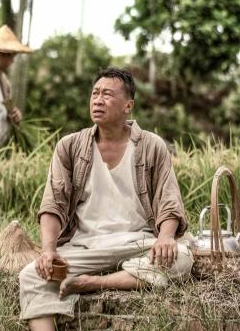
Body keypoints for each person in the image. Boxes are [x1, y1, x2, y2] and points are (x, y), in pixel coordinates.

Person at [18, 67, 192, 329]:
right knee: (32, 275)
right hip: (87, 246)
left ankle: (93, 283)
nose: (98, 100)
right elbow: (53, 203)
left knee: (181, 258)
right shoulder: (70, 146)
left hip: (139, 241)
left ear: (128, 106)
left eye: (107, 94)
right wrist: (49, 251)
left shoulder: (151, 145)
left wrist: (166, 237)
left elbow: (169, 200)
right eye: (95, 93)